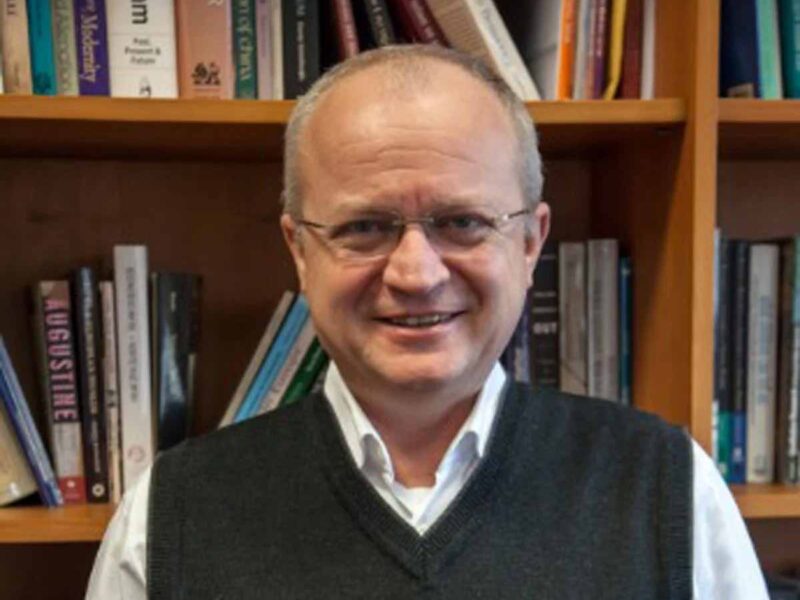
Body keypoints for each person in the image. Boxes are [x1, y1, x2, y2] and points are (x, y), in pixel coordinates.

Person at [86, 45, 768, 599]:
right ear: (300, 251)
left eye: (462, 222)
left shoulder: (667, 491)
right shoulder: (167, 519)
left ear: (530, 243)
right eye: (364, 227)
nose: (416, 274)